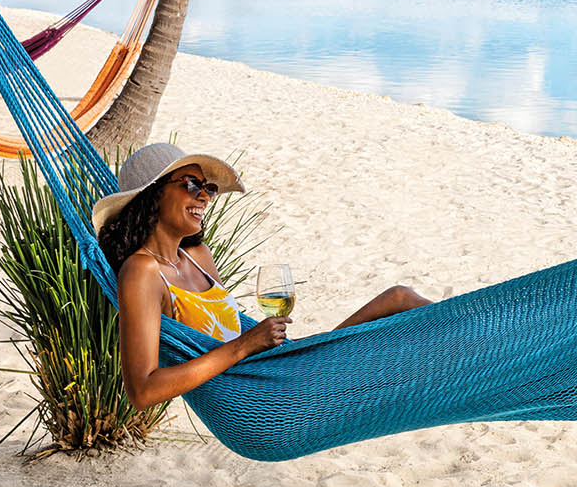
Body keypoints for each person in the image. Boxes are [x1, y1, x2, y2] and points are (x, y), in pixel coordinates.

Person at [91, 143, 432, 411]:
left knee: (399, 298)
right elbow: (143, 391)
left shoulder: (198, 256)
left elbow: (230, 330)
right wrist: (244, 346)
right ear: (151, 196)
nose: (204, 196)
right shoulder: (141, 271)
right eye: (191, 184)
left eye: (208, 187)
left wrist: (259, 341)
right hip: (258, 399)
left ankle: (463, 356)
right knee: (398, 307)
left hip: (272, 370)